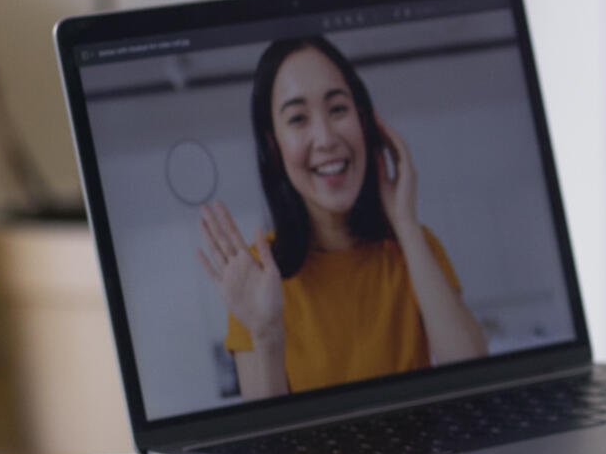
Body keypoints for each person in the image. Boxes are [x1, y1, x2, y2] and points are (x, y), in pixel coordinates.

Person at [196, 35, 489, 401]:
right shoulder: (256, 275)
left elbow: (475, 385)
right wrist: (265, 333)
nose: (325, 138)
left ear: (365, 123)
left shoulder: (413, 245)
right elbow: (268, 436)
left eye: (337, 109)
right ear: (274, 144)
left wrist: (405, 224)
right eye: (298, 118)